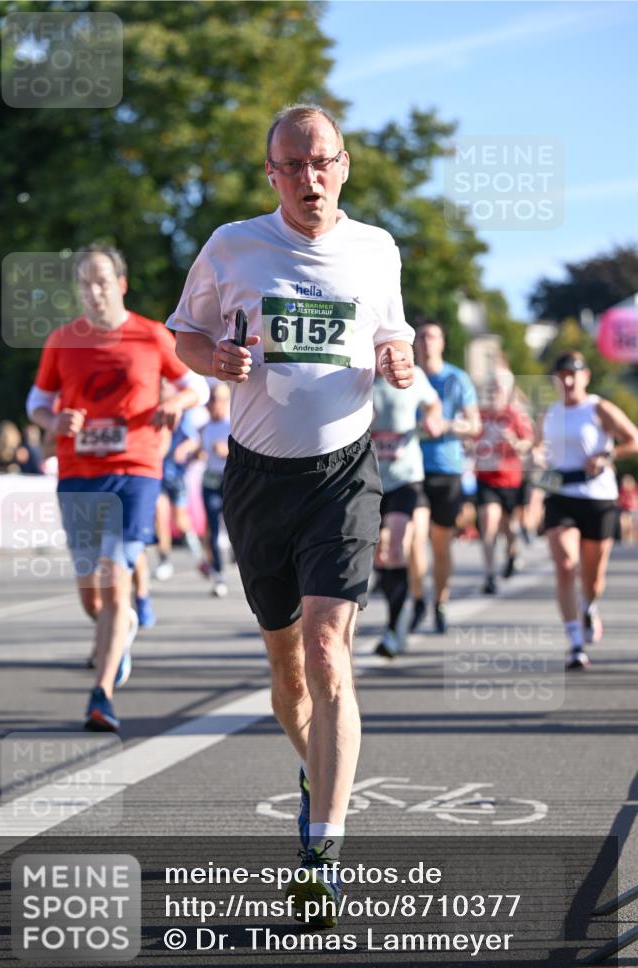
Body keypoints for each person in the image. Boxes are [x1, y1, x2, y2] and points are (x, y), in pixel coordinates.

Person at [168, 104, 415, 925]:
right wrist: (216, 357)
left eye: (322, 162)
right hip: (256, 479)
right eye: (291, 165)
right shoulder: (232, 246)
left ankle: (322, 853)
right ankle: (317, 766)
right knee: (286, 673)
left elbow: (393, 336)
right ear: (270, 173)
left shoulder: (376, 249)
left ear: (343, 165)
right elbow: (185, 338)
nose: (308, 179)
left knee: (325, 651)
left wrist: (398, 357)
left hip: (345, 472)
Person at [27, 244, 205, 731]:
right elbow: (37, 401)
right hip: (79, 474)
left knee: (112, 573)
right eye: (84, 282)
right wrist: (54, 419)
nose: (93, 290)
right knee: (92, 595)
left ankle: (101, 694)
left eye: (102, 280)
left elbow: (199, 386)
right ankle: (119, 626)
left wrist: (178, 403)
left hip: (136, 469)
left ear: (121, 284)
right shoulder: (63, 340)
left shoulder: (151, 335)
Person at [536, 351, 638, 669]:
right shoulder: (549, 413)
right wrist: (534, 456)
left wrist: (606, 455)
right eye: (562, 374)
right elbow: (537, 447)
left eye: (573, 374)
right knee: (566, 565)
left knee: (593, 579)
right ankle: (576, 642)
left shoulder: (598, 407)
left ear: (585, 376)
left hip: (598, 498)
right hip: (560, 494)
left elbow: (633, 440)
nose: (567, 380)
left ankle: (589, 605)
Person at [410, 321, 480, 633]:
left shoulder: (456, 378)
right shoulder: (407, 377)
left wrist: (445, 425)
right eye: (421, 337)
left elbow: (474, 426)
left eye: (432, 336)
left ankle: (439, 600)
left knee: (440, 544)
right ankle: (416, 599)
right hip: (410, 469)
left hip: (447, 468)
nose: (426, 342)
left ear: (442, 342)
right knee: (412, 537)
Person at [371, 365, 441, 657]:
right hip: (370, 479)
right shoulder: (354, 370)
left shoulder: (410, 373)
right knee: (381, 555)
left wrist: (432, 418)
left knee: (396, 546)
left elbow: (433, 402)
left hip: (405, 477)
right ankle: (398, 614)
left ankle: (394, 628)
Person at [474, 370, 533, 594]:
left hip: (511, 479)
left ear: (507, 392)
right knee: (488, 523)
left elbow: (528, 442)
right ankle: (489, 575)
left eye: (498, 389)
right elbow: (470, 438)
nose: (493, 394)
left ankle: (512, 553)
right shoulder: (480, 415)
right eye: (490, 389)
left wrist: (515, 442)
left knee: (510, 528)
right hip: (486, 478)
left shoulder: (515, 415)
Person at [153, 382, 205, 582]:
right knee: (160, 516)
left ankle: (198, 556)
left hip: (175, 475)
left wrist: (183, 448)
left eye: (165, 387)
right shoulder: (152, 411)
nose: (162, 391)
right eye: (160, 387)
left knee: (180, 521)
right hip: (156, 474)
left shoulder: (180, 412)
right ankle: (164, 560)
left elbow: (192, 439)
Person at [197, 383, 231, 598]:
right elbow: (199, 449)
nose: (210, 404)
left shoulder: (234, 424)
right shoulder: (204, 427)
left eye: (214, 399)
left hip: (231, 482)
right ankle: (218, 574)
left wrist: (227, 452)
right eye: (208, 400)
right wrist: (193, 453)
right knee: (212, 529)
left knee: (237, 527)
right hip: (210, 482)